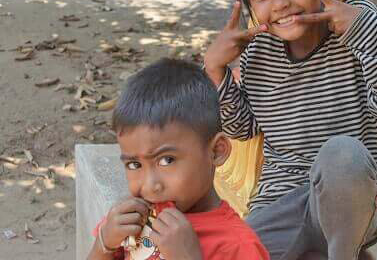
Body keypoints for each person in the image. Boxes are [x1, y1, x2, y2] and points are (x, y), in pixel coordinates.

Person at [203, 0, 377, 260]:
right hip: (281, 201)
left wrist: (363, 30)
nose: (280, 3)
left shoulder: (357, 25)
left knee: (342, 153)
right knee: (236, 251)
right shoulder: (259, 51)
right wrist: (216, 72)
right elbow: (241, 129)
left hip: (350, 199)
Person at [87, 58, 270, 260]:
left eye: (167, 160)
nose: (150, 186)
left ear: (216, 152)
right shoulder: (132, 220)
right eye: (134, 164)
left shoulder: (239, 246)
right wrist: (104, 244)